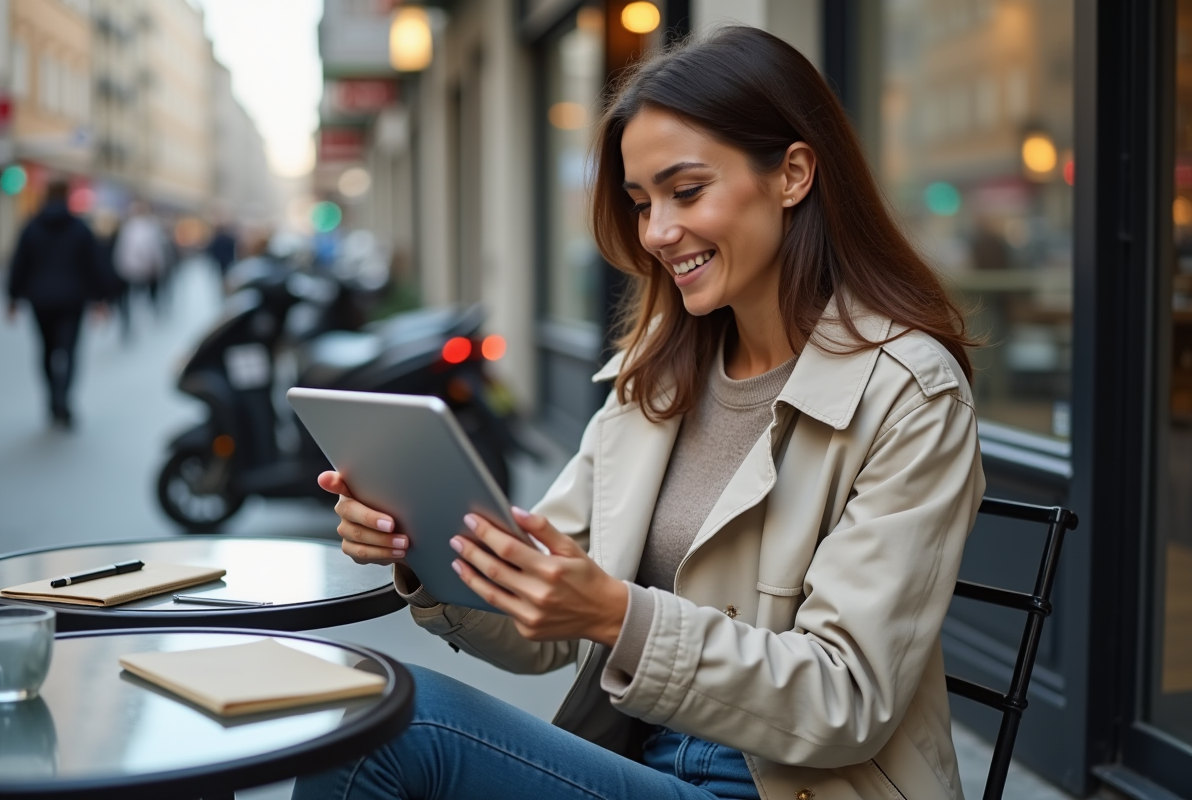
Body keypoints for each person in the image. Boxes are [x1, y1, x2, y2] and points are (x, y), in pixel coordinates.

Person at [297, 26, 984, 800]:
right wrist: (427, 549)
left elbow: (845, 698)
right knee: (357, 707)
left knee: (386, 728)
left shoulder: (909, 393)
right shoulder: (654, 377)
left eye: (687, 191)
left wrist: (619, 615)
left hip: (789, 787)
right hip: (642, 766)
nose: (656, 232)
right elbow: (542, 626)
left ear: (793, 174)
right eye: (641, 202)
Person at [5, 179, 106, 427]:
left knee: (47, 351)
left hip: (40, 300)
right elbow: (95, 265)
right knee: (69, 352)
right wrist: (101, 298)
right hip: (73, 300)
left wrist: (13, 297)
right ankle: (63, 399)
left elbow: (19, 264)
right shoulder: (80, 228)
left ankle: (52, 398)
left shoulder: (31, 227)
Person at [112, 200, 167, 332]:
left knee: (133, 300)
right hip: (141, 270)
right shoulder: (149, 228)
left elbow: (120, 252)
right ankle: (142, 320)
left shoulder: (130, 228)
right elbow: (155, 250)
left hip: (130, 271)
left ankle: (132, 323)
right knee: (141, 298)